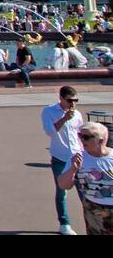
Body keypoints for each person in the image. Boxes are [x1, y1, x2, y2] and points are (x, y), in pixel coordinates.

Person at [56, 121, 113, 235]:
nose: (81, 140)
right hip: (93, 208)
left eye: (86, 137)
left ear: (100, 140)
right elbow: (63, 185)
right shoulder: (77, 158)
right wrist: (73, 169)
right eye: (80, 135)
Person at [42, 85, 84, 235]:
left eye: (75, 100)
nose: (73, 104)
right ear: (60, 98)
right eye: (69, 100)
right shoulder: (49, 111)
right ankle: (64, 224)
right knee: (61, 192)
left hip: (78, 156)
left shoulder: (77, 114)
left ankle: (93, 221)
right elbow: (50, 132)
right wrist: (64, 119)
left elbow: (80, 134)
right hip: (60, 157)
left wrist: (85, 152)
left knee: (84, 191)